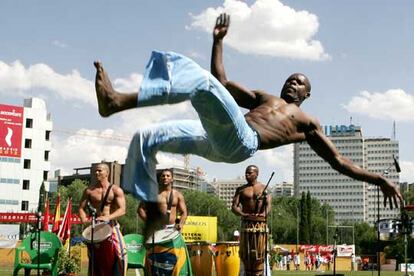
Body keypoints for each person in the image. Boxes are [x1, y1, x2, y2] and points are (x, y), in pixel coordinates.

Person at [94, 14, 402, 209]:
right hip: (216, 142)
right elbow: (224, 82)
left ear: (307, 94)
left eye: (300, 83)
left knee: (201, 83)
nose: (292, 83)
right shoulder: (263, 98)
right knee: (157, 132)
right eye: (290, 78)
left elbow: (339, 161)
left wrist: (380, 180)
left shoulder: (308, 123)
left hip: (242, 141)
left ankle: (117, 101)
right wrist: (217, 42)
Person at [79, 163, 127, 276]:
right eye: (95, 171)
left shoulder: (116, 190)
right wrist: (84, 219)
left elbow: (122, 210)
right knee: (94, 258)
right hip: (96, 228)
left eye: (100, 171)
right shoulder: (89, 191)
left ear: (107, 173)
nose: (97, 173)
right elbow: (81, 208)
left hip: (112, 226)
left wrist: (108, 217)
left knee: (121, 253)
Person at [232, 165, 271, 275]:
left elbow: (268, 205)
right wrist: (243, 214)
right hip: (246, 225)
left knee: (261, 254)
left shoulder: (264, 188)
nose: (247, 175)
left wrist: (263, 214)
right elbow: (234, 206)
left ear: (256, 174)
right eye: (246, 173)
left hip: (260, 226)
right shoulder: (241, 190)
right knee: (246, 255)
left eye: (249, 173)